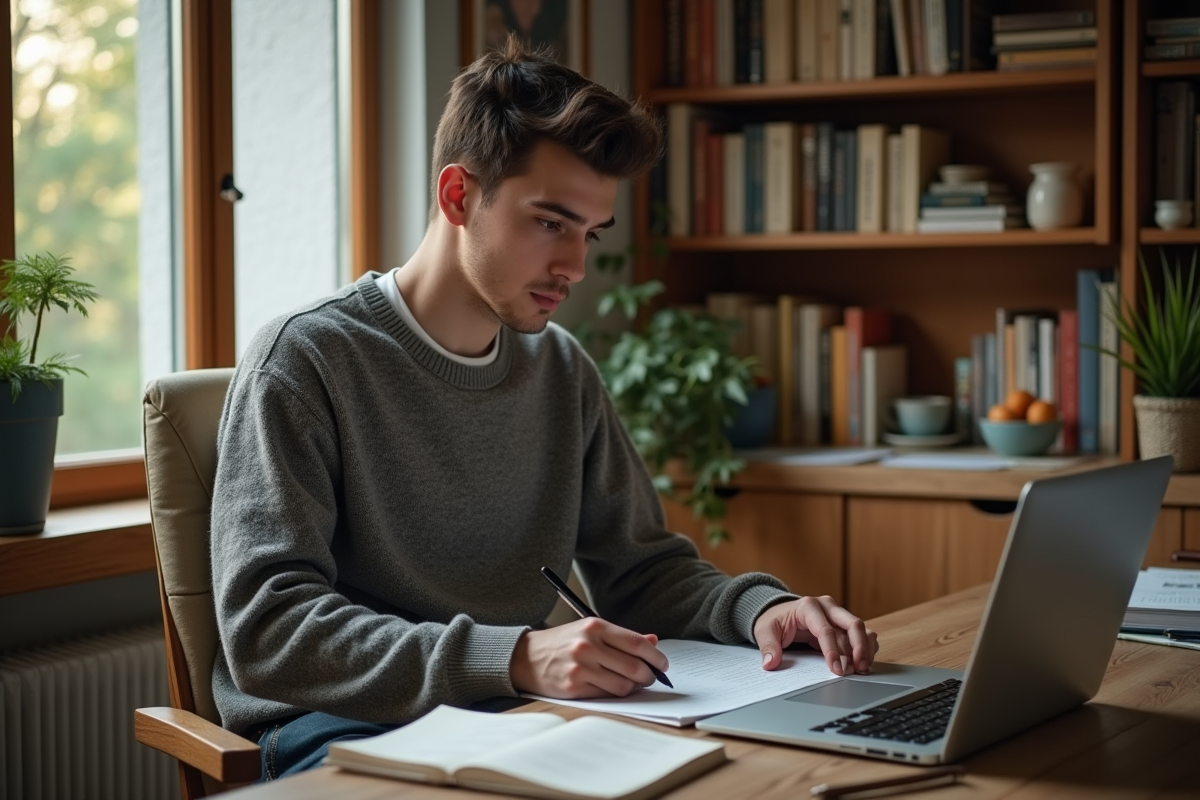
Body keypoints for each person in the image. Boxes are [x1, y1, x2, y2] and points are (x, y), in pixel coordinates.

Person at [209, 37, 879, 782]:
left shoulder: (559, 367)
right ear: (458, 195)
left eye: (589, 234)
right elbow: (269, 631)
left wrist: (757, 610)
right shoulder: (306, 359)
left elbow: (640, 569)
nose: (576, 268)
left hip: (512, 714)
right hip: (340, 727)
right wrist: (519, 656)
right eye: (550, 222)